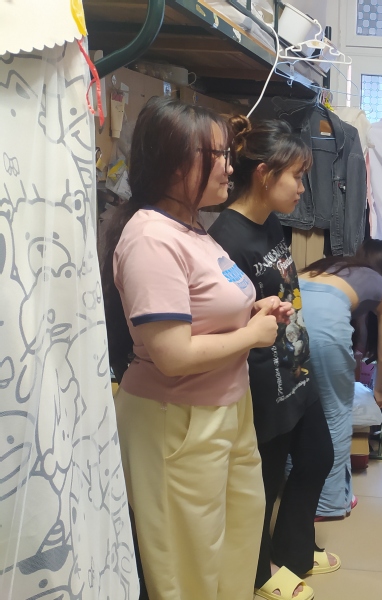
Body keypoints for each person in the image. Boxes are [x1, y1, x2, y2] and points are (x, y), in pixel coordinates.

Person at [102, 97, 290, 600]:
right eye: (217, 155)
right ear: (174, 164)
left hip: (226, 410)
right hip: (177, 421)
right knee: (189, 569)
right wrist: (250, 336)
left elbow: (203, 313)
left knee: (236, 546)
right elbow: (172, 355)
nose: (230, 167)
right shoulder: (150, 238)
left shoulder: (193, 228)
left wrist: (252, 312)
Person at [207, 116, 337, 600]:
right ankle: (260, 573)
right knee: (260, 487)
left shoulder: (272, 222)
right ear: (264, 174)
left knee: (318, 456)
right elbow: (226, 322)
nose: (302, 188)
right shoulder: (226, 238)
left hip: (296, 367)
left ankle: (296, 551)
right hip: (263, 386)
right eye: (297, 176)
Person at [299, 239, 382, 519]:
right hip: (322, 331)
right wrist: (380, 391)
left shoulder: (334, 266)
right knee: (335, 415)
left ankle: (295, 489)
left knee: (298, 411)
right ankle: (328, 505)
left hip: (286, 315)